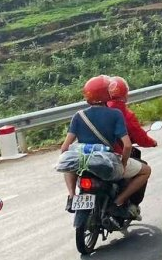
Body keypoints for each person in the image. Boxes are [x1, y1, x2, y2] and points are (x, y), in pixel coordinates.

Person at [59, 75, 149, 211]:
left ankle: (72, 196)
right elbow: (128, 146)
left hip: (84, 161)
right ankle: (118, 202)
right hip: (107, 162)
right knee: (146, 171)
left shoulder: (79, 115)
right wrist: (123, 165)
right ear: (107, 93)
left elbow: (65, 148)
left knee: (70, 163)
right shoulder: (115, 114)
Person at [106, 76, 158, 210]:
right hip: (115, 154)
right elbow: (137, 137)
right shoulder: (124, 114)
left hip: (94, 155)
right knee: (145, 169)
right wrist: (152, 142)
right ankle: (122, 201)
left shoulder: (90, 112)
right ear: (125, 93)